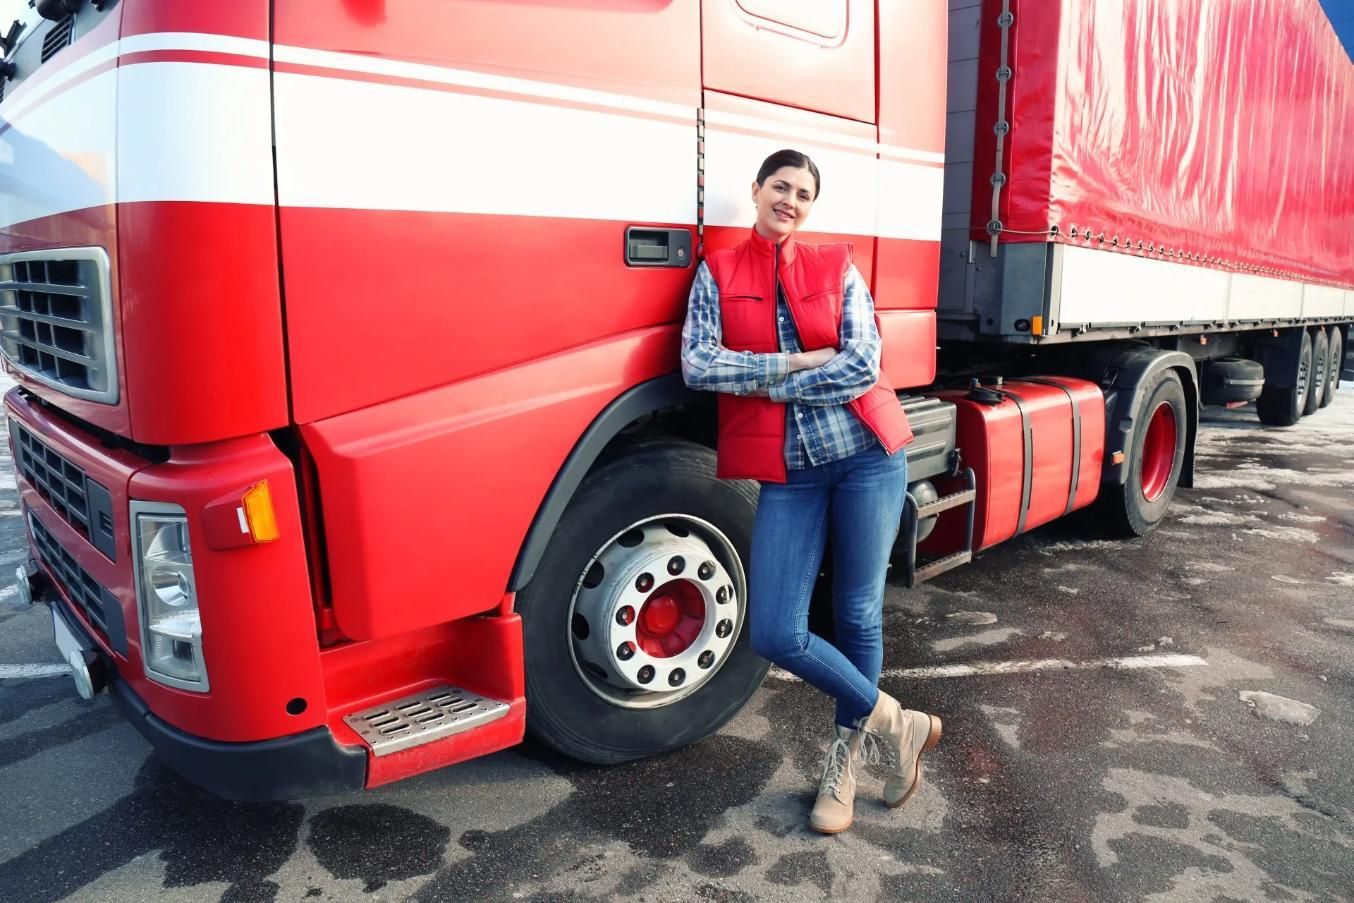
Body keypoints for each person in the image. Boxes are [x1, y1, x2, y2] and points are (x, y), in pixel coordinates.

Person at [681, 148, 942, 834]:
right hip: (789, 472)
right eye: (780, 185)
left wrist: (761, 380)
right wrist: (797, 361)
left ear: (810, 205)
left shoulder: (836, 267)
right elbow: (698, 362)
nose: (789, 199)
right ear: (757, 189)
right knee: (772, 627)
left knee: (856, 614)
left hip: (866, 459)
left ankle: (844, 769)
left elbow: (860, 367)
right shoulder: (719, 270)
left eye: (802, 192)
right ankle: (896, 720)